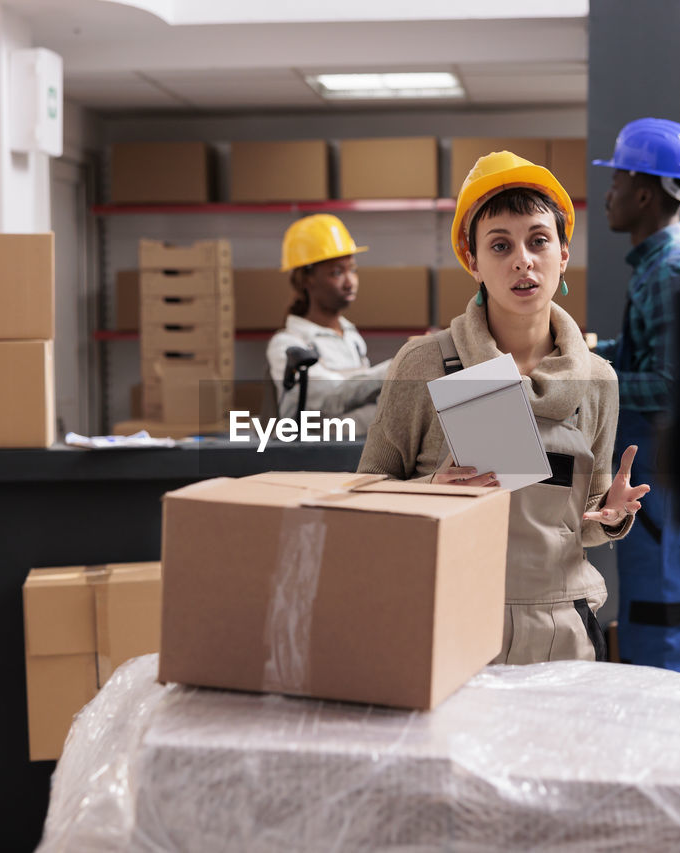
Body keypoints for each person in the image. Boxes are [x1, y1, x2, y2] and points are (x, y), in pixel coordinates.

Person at [358, 151, 649, 665]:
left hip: (563, 628)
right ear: (473, 261)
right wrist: (430, 489)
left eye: (539, 240)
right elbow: (365, 495)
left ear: (562, 253)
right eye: (500, 245)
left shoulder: (598, 380)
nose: (523, 260)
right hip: (451, 620)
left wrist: (612, 515)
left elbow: (584, 522)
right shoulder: (424, 364)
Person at [591, 117, 680, 687]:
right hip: (671, 497)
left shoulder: (673, 271)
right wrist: (590, 351)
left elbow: (675, 384)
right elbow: (649, 350)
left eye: (617, 181)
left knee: (664, 645)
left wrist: (589, 382)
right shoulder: (668, 265)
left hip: (669, 505)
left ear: (644, 192)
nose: (609, 194)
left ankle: (673, 773)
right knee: (671, 635)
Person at [266, 214, 390, 433]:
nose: (350, 282)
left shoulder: (351, 336)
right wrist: (396, 368)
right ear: (307, 279)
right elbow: (329, 400)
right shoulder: (288, 345)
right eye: (336, 273)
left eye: (352, 270)